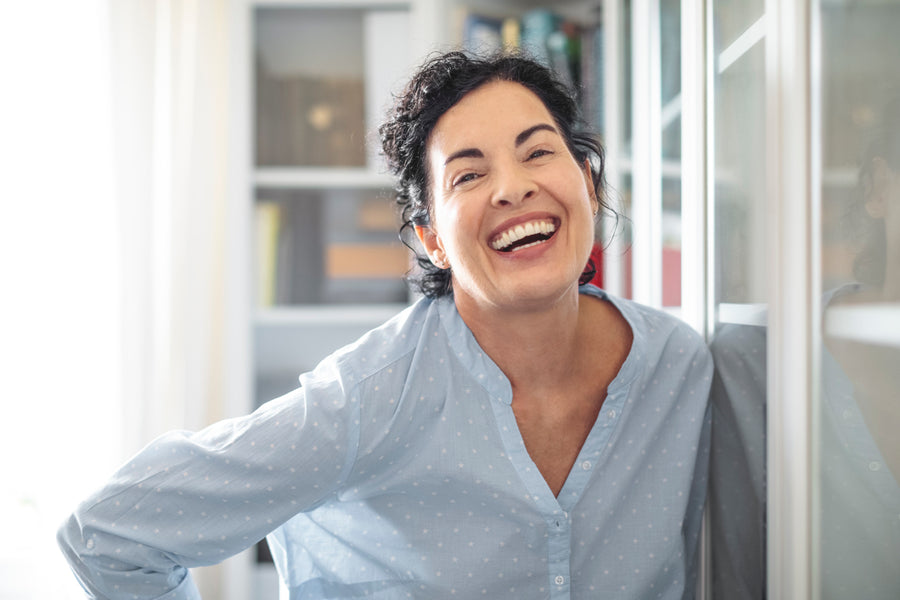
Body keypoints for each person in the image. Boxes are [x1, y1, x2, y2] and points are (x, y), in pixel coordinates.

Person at [58, 50, 713, 599]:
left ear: (587, 185)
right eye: (469, 174)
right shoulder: (368, 397)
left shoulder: (681, 368)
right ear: (431, 238)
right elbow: (110, 535)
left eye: (538, 152)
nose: (512, 188)